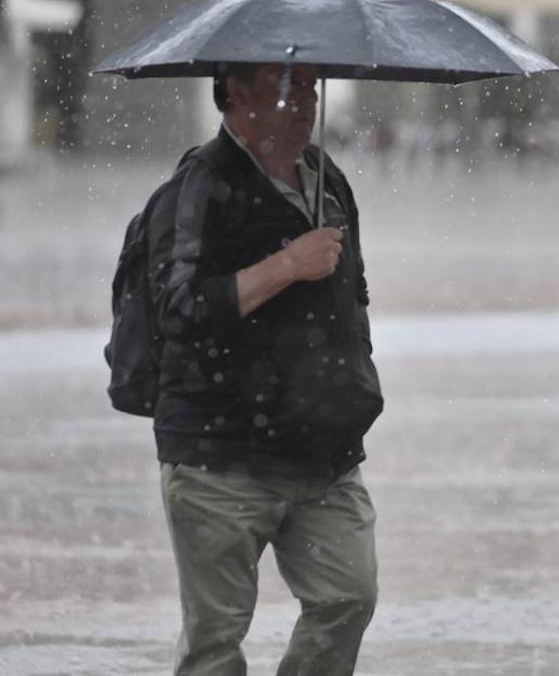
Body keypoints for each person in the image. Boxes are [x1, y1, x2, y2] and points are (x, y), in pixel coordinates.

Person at [147, 61, 384, 676]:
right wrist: (286, 265)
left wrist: (352, 390)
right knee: (216, 639)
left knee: (348, 597)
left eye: (310, 85)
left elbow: (351, 297)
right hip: (220, 451)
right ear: (237, 96)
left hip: (323, 448)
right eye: (287, 87)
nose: (305, 99)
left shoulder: (328, 179)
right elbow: (178, 308)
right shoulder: (199, 186)